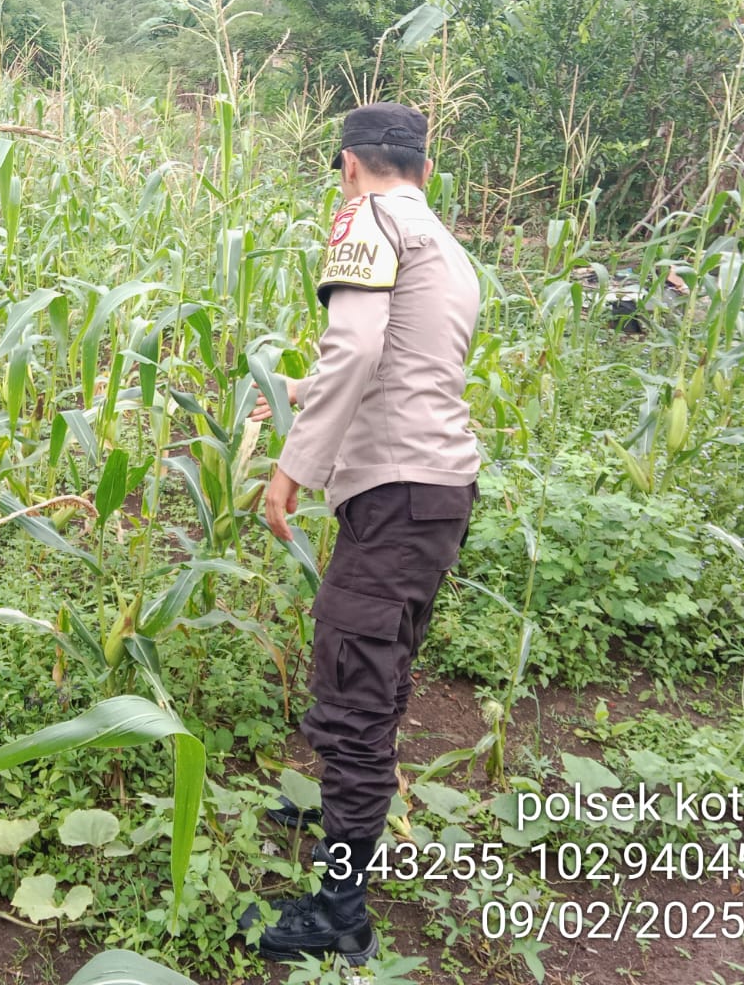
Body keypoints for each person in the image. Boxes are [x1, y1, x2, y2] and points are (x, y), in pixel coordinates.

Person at [240, 102, 481, 964]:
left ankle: (342, 909)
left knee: (351, 696)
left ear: (349, 164)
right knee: (378, 673)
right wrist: (303, 389)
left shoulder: (365, 218)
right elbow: (408, 360)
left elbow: (359, 351)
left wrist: (291, 467)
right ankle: (344, 806)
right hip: (438, 494)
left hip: (394, 494)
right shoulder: (444, 243)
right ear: (424, 168)